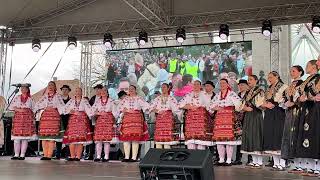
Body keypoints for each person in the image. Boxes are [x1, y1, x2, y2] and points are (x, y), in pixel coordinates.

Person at [294, 60, 320, 176]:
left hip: (315, 109)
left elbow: (316, 94)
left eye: (308, 66)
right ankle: (309, 166)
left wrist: (308, 97)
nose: (306, 67)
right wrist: (300, 98)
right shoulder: (307, 80)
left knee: (314, 135)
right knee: (305, 135)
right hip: (306, 109)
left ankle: (317, 167)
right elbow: (299, 94)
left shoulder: (318, 78)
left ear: (314, 66)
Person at [209, 78, 241, 166]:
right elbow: (211, 105)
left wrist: (232, 108)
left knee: (229, 140)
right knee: (219, 140)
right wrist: (216, 108)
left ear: (227, 84)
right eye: (221, 83)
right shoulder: (217, 95)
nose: (222, 84)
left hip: (229, 118)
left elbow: (239, 103)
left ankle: (229, 160)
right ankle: (221, 159)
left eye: (224, 83)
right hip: (220, 118)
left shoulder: (232, 94)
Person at [261, 71, 288, 171]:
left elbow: (286, 99)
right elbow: (263, 100)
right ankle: (276, 163)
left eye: (271, 77)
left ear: (277, 77)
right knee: (271, 136)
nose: (269, 79)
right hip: (269, 113)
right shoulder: (268, 88)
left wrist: (278, 102)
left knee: (278, 135)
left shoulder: (284, 87)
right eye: (269, 77)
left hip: (279, 112)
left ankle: (283, 163)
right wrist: (265, 104)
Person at [280, 66, 304, 173]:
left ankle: (298, 162)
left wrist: (294, 102)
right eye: (291, 71)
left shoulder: (302, 84)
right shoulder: (290, 85)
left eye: (294, 71)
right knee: (287, 135)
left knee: (295, 134)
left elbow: (302, 97)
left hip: (298, 111)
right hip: (289, 112)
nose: (291, 73)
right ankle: (289, 160)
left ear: (300, 72)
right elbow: (284, 98)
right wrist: (285, 103)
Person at [118, 85, 149, 162]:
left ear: (135, 90)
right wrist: (123, 110)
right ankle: (126, 157)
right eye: (129, 89)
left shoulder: (139, 98)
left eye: (132, 89)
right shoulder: (125, 99)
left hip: (136, 120)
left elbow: (147, 106)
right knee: (126, 138)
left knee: (135, 138)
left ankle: (134, 157)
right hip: (127, 120)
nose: (131, 90)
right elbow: (119, 107)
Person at [34, 81, 65, 160]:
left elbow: (62, 106)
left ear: (55, 87)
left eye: (52, 85)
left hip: (54, 118)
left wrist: (61, 111)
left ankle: (49, 155)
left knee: (51, 138)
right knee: (44, 138)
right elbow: (37, 105)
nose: (50, 87)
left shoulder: (58, 96)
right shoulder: (44, 96)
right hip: (45, 118)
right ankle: (45, 155)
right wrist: (43, 107)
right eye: (49, 85)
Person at [179, 80, 212, 150]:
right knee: (191, 140)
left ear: (200, 86)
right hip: (191, 121)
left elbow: (209, 106)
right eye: (194, 84)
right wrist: (189, 106)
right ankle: (192, 159)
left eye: (197, 84)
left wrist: (199, 107)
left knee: (201, 141)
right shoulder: (188, 95)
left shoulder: (205, 94)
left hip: (201, 121)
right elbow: (180, 104)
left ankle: (201, 159)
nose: (196, 86)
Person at [241, 75, 265, 168]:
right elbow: (242, 103)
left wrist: (255, 105)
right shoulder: (247, 92)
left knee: (256, 135)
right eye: (248, 80)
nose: (249, 81)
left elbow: (261, 104)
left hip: (256, 115)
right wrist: (244, 107)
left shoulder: (260, 91)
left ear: (256, 81)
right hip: (248, 115)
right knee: (250, 136)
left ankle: (259, 161)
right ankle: (254, 160)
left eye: (251, 79)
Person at [63, 87, 93, 161]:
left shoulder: (84, 101)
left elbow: (90, 110)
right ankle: (72, 156)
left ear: (82, 92)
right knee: (72, 139)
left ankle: (78, 157)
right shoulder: (71, 101)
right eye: (76, 91)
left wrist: (91, 114)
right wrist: (69, 111)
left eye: (79, 91)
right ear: (74, 92)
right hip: (73, 121)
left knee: (80, 139)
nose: (78, 92)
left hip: (81, 121)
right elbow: (64, 109)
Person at [9, 84, 37, 160]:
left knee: (25, 138)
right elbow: (11, 106)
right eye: (21, 88)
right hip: (18, 119)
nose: (22, 89)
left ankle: (22, 155)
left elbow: (35, 108)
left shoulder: (30, 99)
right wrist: (18, 109)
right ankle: (16, 154)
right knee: (17, 138)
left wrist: (31, 115)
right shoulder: (17, 97)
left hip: (27, 120)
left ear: (27, 89)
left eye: (24, 88)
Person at [150, 83, 179, 149]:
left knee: (167, 140)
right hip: (160, 121)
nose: (163, 89)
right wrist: (157, 110)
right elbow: (150, 107)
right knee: (159, 140)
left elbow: (176, 109)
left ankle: (166, 157)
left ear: (168, 88)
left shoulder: (171, 98)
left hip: (168, 121)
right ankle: (157, 156)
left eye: (164, 87)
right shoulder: (157, 99)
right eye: (162, 87)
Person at [92, 87, 117, 162]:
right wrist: (97, 113)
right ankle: (98, 156)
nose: (103, 92)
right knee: (99, 140)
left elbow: (115, 112)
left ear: (107, 92)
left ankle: (106, 156)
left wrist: (114, 121)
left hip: (108, 121)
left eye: (105, 91)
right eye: (102, 91)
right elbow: (92, 110)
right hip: (100, 122)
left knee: (107, 140)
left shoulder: (111, 101)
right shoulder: (97, 101)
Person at [85, 84, 103, 160]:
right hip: (93, 120)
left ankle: (101, 155)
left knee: (101, 137)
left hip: (102, 120)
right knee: (92, 137)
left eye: (99, 89)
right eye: (96, 89)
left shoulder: (105, 98)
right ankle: (90, 154)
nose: (97, 91)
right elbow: (89, 109)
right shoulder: (92, 98)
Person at [233, 79, 249, 165]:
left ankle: (250, 159)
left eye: (242, 85)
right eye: (239, 85)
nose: (241, 86)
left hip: (248, 117)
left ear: (247, 86)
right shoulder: (237, 95)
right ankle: (238, 158)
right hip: (239, 119)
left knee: (249, 137)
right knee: (239, 138)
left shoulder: (249, 94)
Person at [53, 85, 72, 160]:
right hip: (59, 119)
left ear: (69, 91)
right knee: (59, 136)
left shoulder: (71, 100)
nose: (64, 91)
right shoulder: (58, 100)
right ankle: (58, 154)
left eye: (66, 89)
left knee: (68, 137)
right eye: (63, 89)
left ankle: (67, 154)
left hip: (68, 119)